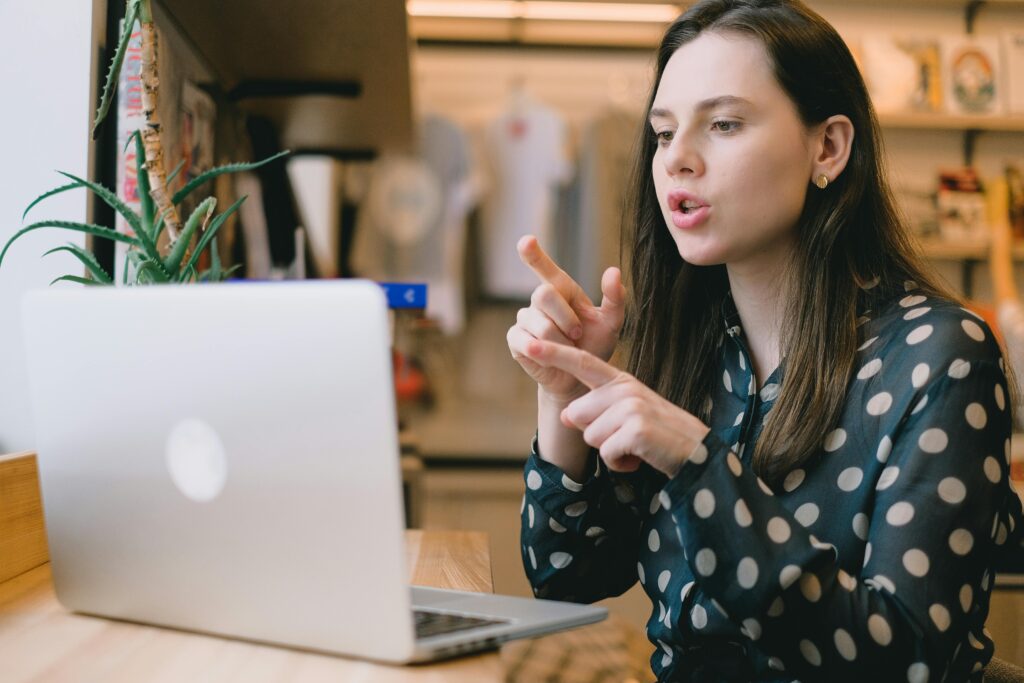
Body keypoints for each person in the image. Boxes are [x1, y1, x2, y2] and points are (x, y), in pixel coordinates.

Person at [506, 1, 1024, 681]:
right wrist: (563, 396)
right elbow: (566, 577)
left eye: (723, 124)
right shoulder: (691, 348)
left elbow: (907, 660)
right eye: (663, 134)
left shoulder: (942, 355)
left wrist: (698, 462)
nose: (678, 161)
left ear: (828, 147)